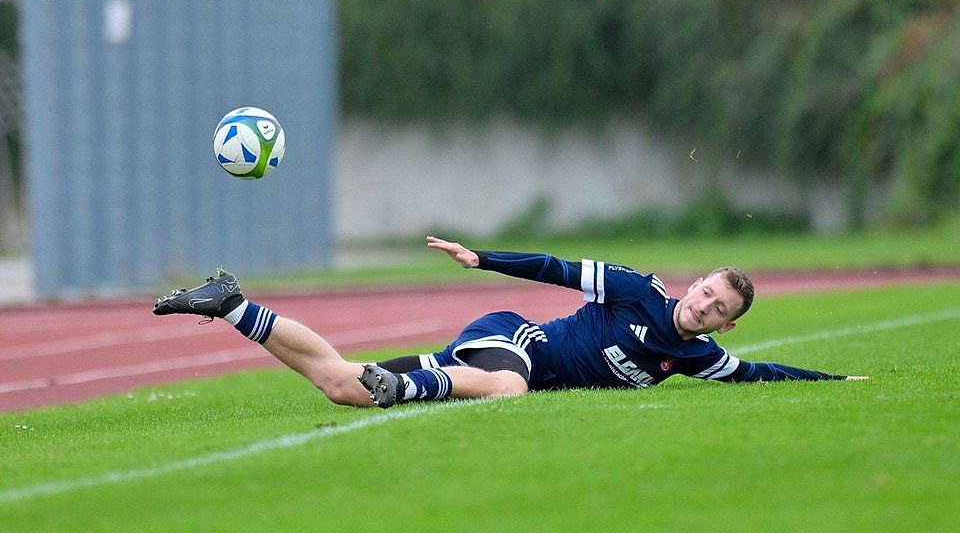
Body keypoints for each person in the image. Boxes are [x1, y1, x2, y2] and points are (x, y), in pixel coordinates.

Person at [153, 236, 866, 408]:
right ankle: (407, 390)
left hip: (485, 360)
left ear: (725, 326)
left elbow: (765, 374)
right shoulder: (638, 291)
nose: (702, 304)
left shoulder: (700, 359)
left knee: (343, 386)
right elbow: (555, 270)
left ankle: (233, 304)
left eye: (717, 309)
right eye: (705, 290)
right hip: (514, 341)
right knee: (511, 392)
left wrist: (836, 377)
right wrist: (481, 258)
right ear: (693, 282)